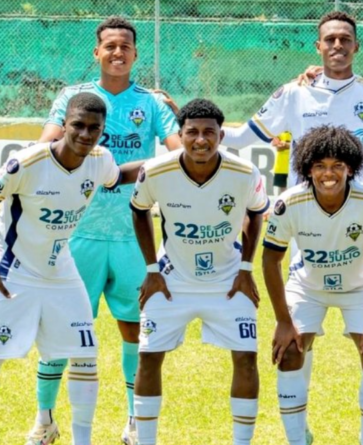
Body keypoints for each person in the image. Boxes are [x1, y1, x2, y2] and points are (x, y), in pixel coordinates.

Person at [33, 16, 181, 445]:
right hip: (76, 234)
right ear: (96, 52)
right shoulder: (73, 98)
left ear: (136, 54)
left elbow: (180, 154)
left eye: (126, 47)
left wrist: (176, 114)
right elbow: (46, 147)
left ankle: (135, 423)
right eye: (110, 46)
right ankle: (45, 419)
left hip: (133, 234)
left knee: (135, 328)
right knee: (64, 327)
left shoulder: (151, 104)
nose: (118, 53)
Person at [0, 93, 143, 445]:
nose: (85, 134)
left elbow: (118, 177)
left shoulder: (100, 159)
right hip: (14, 271)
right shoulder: (26, 163)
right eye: (78, 125)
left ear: (103, 131)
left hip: (62, 271)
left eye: (95, 128)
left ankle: (78, 439)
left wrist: (177, 160)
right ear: (64, 124)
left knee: (83, 353)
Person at [129, 99, 268, 445]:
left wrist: (247, 268)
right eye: (192, 132)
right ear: (180, 134)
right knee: (147, 358)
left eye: (210, 132)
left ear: (222, 135)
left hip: (228, 281)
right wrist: (152, 269)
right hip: (172, 279)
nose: (201, 140)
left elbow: (256, 212)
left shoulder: (244, 173)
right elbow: (139, 210)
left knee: (247, 359)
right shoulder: (157, 171)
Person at [262, 125, 363, 445]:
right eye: (320, 165)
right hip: (308, 286)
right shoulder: (290, 202)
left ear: (350, 168)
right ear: (307, 168)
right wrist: (282, 321)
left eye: (338, 165)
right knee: (290, 351)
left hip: (361, 286)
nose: (329, 173)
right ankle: (297, 439)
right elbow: (270, 261)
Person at [222, 11, 363, 191]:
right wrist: (192, 128)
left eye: (345, 39)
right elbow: (240, 138)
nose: (338, 45)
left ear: (356, 46)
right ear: (318, 47)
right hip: (304, 211)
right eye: (330, 39)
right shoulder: (293, 93)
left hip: (360, 211)